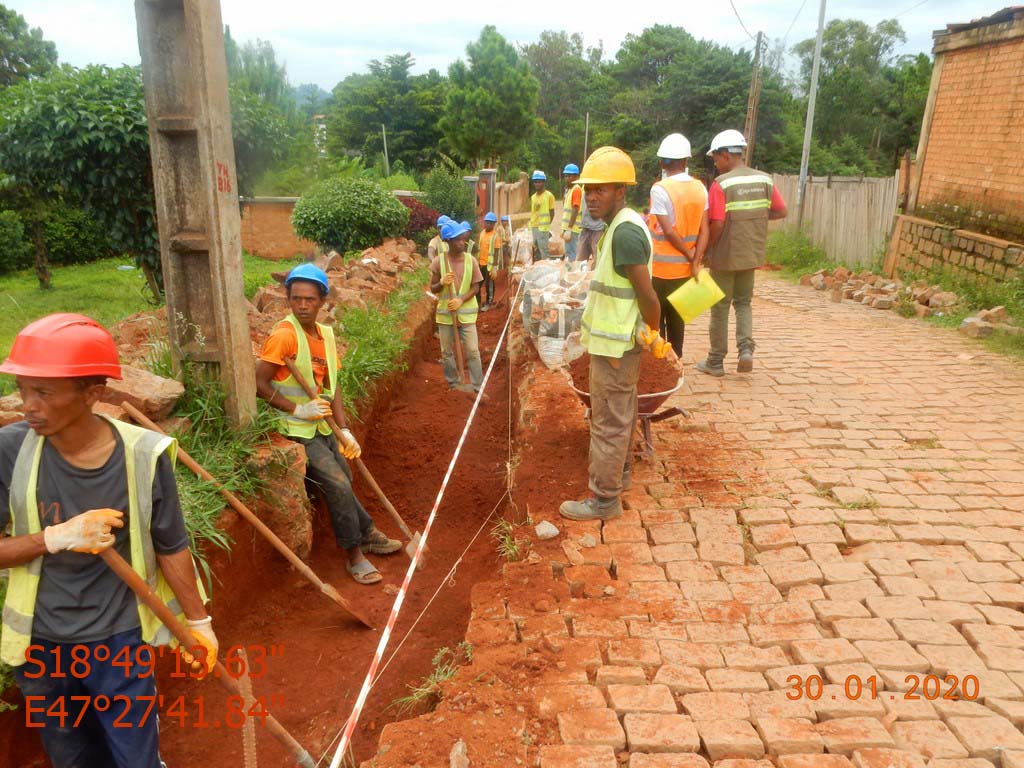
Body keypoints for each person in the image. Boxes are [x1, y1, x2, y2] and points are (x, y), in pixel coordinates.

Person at [0, 313, 215, 768]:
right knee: (72, 759)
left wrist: (198, 624)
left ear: (92, 393)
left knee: (136, 759)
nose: (27, 405)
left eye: (43, 392)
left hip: (119, 644)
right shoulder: (10, 451)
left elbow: (170, 544)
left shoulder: (142, 455)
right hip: (42, 650)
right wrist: (56, 537)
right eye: (23, 389)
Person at [256, 264, 400, 585]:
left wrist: (344, 428)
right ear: (289, 299)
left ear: (322, 300)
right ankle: (354, 554)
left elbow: (332, 386)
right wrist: (298, 408)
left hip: (322, 426)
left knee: (345, 477)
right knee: (337, 484)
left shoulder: (327, 336)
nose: (303, 305)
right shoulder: (283, 336)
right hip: (295, 427)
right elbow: (259, 384)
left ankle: (366, 531)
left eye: (309, 299)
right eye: (296, 299)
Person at [559, 148, 665, 523]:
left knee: (607, 422)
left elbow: (648, 296)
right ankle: (617, 477)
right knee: (619, 416)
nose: (591, 197)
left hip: (618, 347)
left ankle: (604, 501)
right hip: (613, 344)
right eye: (588, 190)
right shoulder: (618, 227)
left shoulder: (625, 235)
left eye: (600, 190)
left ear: (620, 190)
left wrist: (651, 334)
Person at [697, 129, 787, 377]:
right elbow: (781, 211)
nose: (715, 164)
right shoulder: (765, 180)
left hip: (725, 255)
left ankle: (715, 361)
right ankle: (746, 350)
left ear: (725, 155)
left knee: (720, 306)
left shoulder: (721, 184)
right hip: (751, 254)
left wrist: (706, 250)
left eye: (715, 158)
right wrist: (753, 219)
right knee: (744, 302)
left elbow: (717, 223)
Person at [647, 132, 709, 358]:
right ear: (685, 161)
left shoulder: (660, 188)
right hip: (685, 270)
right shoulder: (700, 188)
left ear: (663, 162)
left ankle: (661, 364)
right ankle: (677, 360)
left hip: (660, 269)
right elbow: (705, 230)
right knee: (678, 319)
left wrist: (689, 254)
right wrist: (696, 259)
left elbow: (670, 232)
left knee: (657, 318)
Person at [430, 220, 485, 392]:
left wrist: (461, 300)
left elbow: (476, 287)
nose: (462, 242)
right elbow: (432, 288)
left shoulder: (471, 261)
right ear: (448, 242)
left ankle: (477, 386)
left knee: (473, 351)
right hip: (446, 315)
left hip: (467, 315)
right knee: (447, 353)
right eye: (457, 240)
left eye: (463, 239)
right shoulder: (439, 262)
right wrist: (441, 282)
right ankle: (454, 384)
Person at [477, 211, 503, 311]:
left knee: (489, 285)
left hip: (490, 266)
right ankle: (478, 303)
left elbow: (496, 253)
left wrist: (495, 268)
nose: (487, 224)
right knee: (478, 284)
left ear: (493, 224)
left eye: (490, 223)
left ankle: (489, 302)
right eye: (486, 222)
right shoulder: (482, 233)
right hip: (481, 264)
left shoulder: (495, 236)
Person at [529, 170, 556, 260]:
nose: (537, 184)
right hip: (534, 227)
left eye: (539, 181)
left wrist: (546, 225)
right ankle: (538, 268)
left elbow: (552, 213)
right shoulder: (533, 197)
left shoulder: (549, 196)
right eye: (535, 182)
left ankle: (546, 269)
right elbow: (533, 213)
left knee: (544, 251)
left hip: (543, 228)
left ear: (544, 182)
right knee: (536, 251)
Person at [577, 186, 606, 266]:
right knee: (579, 261)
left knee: (598, 262)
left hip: (598, 229)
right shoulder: (584, 187)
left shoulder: (600, 186)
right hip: (585, 228)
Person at [560, 163, 583, 261]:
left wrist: (569, 228)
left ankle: (573, 274)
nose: (567, 178)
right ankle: (571, 273)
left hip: (573, 230)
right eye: (565, 176)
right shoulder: (569, 190)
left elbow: (575, 208)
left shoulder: (576, 189)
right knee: (569, 253)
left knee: (572, 255)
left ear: (576, 177)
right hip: (569, 229)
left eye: (569, 176)